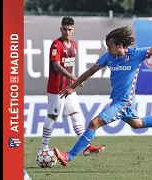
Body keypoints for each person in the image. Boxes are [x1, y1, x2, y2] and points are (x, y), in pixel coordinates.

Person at [53, 26, 152, 166]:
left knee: (94, 123)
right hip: (119, 101)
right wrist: (73, 86)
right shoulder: (109, 57)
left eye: (110, 46)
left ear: (119, 45)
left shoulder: (137, 54)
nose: (108, 49)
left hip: (124, 102)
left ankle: (69, 156)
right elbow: (91, 71)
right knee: (137, 123)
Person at [42, 16, 105, 155]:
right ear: (61, 29)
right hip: (56, 88)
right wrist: (75, 79)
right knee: (52, 116)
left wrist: (73, 83)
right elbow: (57, 66)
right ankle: (44, 147)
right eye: (65, 29)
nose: (67, 32)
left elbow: (70, 67)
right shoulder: (56, 45)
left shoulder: (74, 45)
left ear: (73, 30)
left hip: (69, 87)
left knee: (77, 115)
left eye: (70, 29)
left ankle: (86, 147)